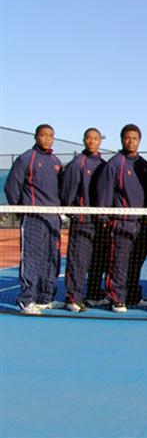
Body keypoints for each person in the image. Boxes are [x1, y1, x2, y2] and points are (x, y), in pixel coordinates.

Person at [4, 124, 62, 315]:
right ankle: (27, 300)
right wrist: (23, 209)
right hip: (33, 218)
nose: (47, 139)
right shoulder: (27, 158)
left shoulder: (55, 161)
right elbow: (12, 186)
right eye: (43, 135)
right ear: (36, 137)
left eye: (50, 136)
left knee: (51, 259)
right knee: (32, 258)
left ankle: (45, 298)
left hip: (53, 219)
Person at [96, 124, 147, 313]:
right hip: (122, 222)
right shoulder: (115, 164)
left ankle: (133, 296)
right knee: (119, 263)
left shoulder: (144, 165)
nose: (131, 141)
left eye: (135, 138)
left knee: (136, 262)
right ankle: (116, 298)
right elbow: (104, 193)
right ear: (122, 139)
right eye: (127, 138)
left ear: (139, 140)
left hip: (143, 223)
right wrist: (105, 218)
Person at [61, 127, 110, 312]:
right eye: (89, 138)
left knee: (99, 260)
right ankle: (73, 297)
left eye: (95, 139)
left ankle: (94, 294)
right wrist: (72, 211)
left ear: (100, 142)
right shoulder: (77, 164)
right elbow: (67, 192)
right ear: (84, 140)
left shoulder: (105, 165)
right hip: (82, 222)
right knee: (78, 262)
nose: (92, 142)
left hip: (101, 223)